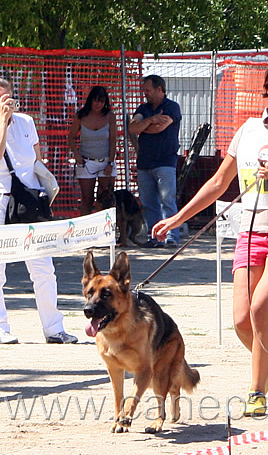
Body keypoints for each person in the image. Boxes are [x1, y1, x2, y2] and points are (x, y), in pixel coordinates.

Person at [152, 58, 268, 415]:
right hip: (250, 230)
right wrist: (177, 217)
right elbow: (218, 183)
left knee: (261, 309)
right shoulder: (248, 129)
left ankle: (257, 390)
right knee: (241, 321)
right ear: (267, 87)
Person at [0, 78, 78, 345]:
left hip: (29, 200)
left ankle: (54, 328)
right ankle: (1, 327)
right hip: (1, 199)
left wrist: (45, 189)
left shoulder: (26, 122)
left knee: (44, 267)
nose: (6, 103)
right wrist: (2, 122)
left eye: (8, 97)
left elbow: (37, 159)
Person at [128, 75, 182, 248]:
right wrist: (150, 120)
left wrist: (144, 126)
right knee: (149, 203)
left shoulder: (171, 107)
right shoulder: (143, 108)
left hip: (165, 161)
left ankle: (171, 236)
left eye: (148, 90)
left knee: (167, 200)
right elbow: (132, 127)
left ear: (160, 89)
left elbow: (160, 128)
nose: (146, 94)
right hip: (144, 163)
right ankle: (154, 236)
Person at [67, 86, 117, 216]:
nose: (98, 104)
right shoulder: (81, 116)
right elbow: (71, 138)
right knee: (87, 199)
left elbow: (113, 141)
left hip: (106, 161)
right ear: (90, 100)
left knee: (105, 199)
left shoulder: (110, 117)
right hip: (86, 162)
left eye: (101, 101)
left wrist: (110, 163)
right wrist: (77, 155)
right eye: (96, 100)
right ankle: (85, 231)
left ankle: (105, 231)